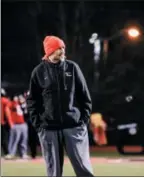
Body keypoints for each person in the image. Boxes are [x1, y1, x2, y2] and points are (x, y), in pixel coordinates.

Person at [27, 36, 94, 176]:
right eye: (59, 48)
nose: (62, 50)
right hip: (49, 128)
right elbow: (33, 101)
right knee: (54, 172)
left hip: (74, 126)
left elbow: (84, 97)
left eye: (63, 47)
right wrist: (39, 125)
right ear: (50, 50)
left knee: (84, 168)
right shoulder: (38, 71)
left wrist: (83, 121)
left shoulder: (73, 67)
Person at [5, 96, 29, 160]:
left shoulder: (24, 105)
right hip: (16, 124)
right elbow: (7, 109)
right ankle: (11, 153)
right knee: (14, 140)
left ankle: (23, 154)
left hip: (23, 124)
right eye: (20, 98)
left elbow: (26, 113)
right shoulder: (13, 103)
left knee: (24, 140)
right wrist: (10, 123)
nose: (22, 100)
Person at [1, 88, 13, 156]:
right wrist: (10, 123)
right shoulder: (5, 101)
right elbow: (7, 112)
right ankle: (7, 153)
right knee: (4, 139)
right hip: (3, 123)